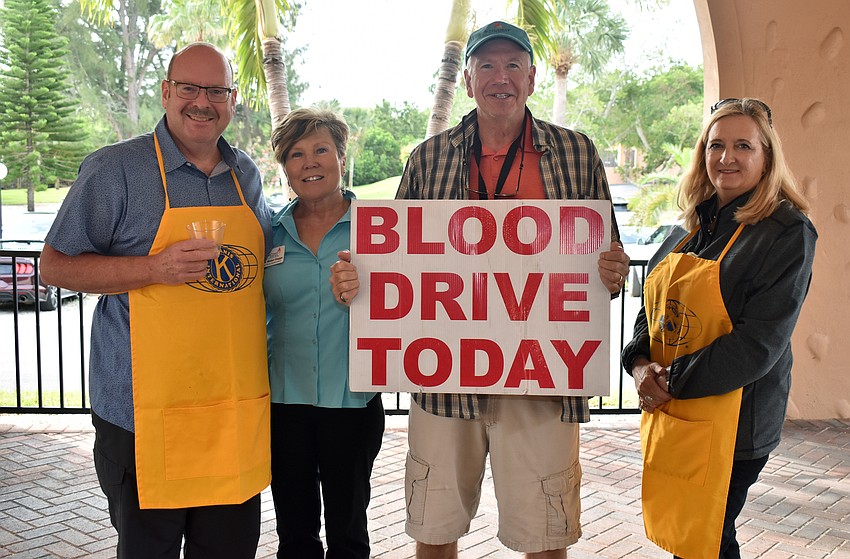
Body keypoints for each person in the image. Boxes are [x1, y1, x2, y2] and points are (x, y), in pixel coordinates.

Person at [330, 21, 630, 559]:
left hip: (542, 379)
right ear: (467, 80)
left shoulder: (576, 154)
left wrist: (612, 269)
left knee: (545, 535)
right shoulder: (429, 158)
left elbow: (607, 256)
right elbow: (392, 260)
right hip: (445, 378)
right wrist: (357, 279)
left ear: (533, 78)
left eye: (513, 65)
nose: (501, 77)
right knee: (435, 529)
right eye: (486, 65)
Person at [39, 42, 273, 558]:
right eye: (188, 88)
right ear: (166, 93)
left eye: (216, 90)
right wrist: (153, 268)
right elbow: (54, 265)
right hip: (144, 419)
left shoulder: (246, 175)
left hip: (230, 413)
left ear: (232, 99)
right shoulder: (115, 169)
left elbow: (270, 263)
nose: (202, 102)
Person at [621, 98, 817, 559]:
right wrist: (640, 364)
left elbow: (759, 343)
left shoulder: (787, 231)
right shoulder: (688, 227)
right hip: (676, 409)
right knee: (691, 534)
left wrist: (670, 382)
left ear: (767, 156)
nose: (726, 157)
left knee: (706, 537)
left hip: (735, 421)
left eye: (743, 146)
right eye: (716, 145)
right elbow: (652, 307)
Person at [266, 108, 384, 558]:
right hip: (283, 403)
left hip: (351, 402)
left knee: (348, 531)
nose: (309, 162)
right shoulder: (268, 232)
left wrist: (367, 289)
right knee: (294, 535)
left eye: (320, 150)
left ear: (340, 155)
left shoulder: (381, 231)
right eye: (296, 154)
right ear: (285, 167)